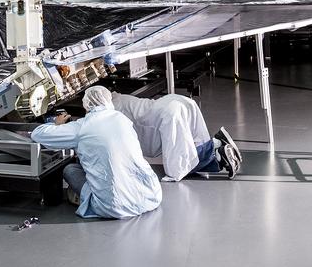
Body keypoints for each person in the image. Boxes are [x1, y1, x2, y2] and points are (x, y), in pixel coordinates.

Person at [31, 86, 162, 220]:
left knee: (70, 170)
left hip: (115, 205)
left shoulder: (82, 126)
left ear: (86, 104)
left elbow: (37, 134)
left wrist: (56, 124)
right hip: (150, 196)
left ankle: (87, 198)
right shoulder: (123, 119)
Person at [111, 91, 243, 180]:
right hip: (179, 102)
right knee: (197, 144)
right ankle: (217, 147)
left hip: (168, 115)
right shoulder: (115, 97)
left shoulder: (108, 112)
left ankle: (217, 151)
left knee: (179, 167)